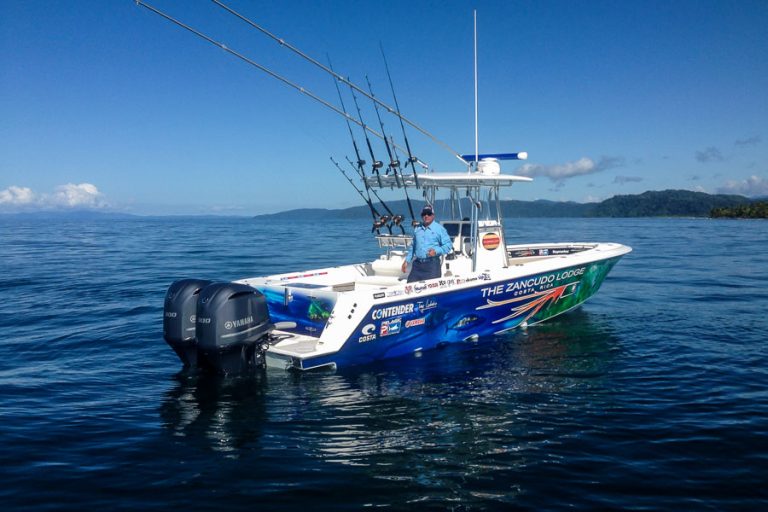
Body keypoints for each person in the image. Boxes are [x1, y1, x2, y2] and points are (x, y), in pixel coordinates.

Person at [401, 205, 453, 282]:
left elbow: (448, 245)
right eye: (424, 214)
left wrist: (436, 251)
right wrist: (407, 261)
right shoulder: (417, 229)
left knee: (432, 291)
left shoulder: (439, 229)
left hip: (432, 265)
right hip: (417, 265)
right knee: (410, 288)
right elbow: (413, 246)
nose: (426, 216)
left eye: (428, 214)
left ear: (433, 215)